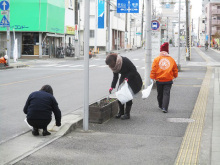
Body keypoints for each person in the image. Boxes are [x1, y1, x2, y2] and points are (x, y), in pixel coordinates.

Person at [106, 53, 142, 120]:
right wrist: (112, 86)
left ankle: (127, 114)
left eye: (110, 64)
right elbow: (115, 76)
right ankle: (121, 112)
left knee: (127, 96)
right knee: (120, 95)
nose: (110, 66)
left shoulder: (124, 60)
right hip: (124, 78)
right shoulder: (115, 66)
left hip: (133, 78)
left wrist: (127, 78)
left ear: (114, 61)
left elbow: (134, 70)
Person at [150, 42, 178, 113]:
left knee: (160, 93)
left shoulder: (157, 59)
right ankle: (165, 108)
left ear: (161, 51)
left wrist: (152, 77)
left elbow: (154, 69)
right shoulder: (171, 59)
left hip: (159, 80)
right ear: (167, 51)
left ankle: (160, 105)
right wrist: (175, 76)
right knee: (166, 93)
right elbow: (175, 69)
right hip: (168, 79)